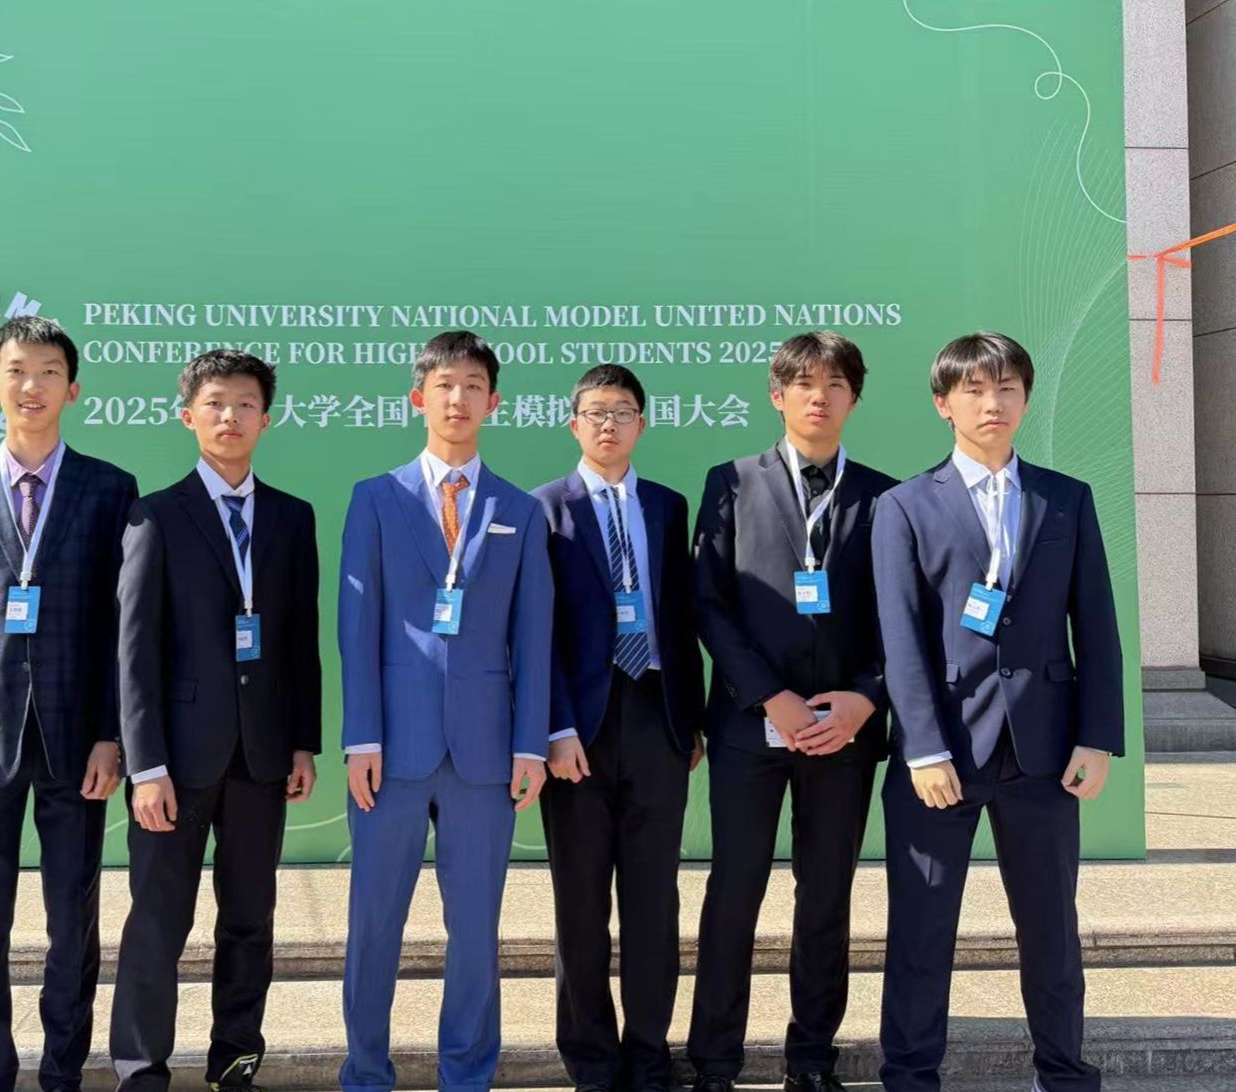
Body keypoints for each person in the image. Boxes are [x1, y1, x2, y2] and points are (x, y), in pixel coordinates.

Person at [872, 332, 1123, 1092]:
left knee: (1052, 931)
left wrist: (1097, 737)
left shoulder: (1065, 498)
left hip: (1044, 753)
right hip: (941, 756)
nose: (993, 403)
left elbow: (1097, 625)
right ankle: (910, 1076)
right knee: (922, 931)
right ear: (943, 404)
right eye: (975, 390)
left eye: (1007, 388)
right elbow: (900, 637)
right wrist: (922, 748)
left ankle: (1064, 1073)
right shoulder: (904, 505)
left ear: (1025, 399)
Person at [0, 315, 136, 1092]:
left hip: (79, 743)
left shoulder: (110, 490)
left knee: (73, 918)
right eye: (17, 370)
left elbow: (122, 627)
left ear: (73, 390)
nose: (31, 385)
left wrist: (112, 735)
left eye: (48, 371)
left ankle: (62, 1073)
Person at [337, 330, 554, 1092]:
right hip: (391, 750)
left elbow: (533, 636)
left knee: (475, 930)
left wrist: (530, 745)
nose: (457, 399)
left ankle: (467, 1072)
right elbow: (357, 626)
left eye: (472, 386)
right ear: (417, 398)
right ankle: (366, 1071)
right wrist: (360, 736)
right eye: (444, 385)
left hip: (486, 754)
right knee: (374, 922)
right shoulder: (376, 499)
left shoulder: (519, 510)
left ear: (494, 403)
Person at [681, 332, 895, 1092]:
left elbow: (903, 617)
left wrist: (866, 697)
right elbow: (708, 603)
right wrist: (768, 693)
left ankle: (811, 1059)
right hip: (750, 725)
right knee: (734, 891)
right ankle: (714, 1061)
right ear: (777, 395)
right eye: (804, 384)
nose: (819, 397)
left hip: (843, 733)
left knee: (827, 895)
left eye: (835, 384)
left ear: (854, 398)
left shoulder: (885, 496)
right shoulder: (731, 482)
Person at [109, 349, 322, 1092]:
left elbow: (299, 640)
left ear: (267, 418)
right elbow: (133, 651)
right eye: (215, 404)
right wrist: (146, 766)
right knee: (158, 921)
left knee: (249, 920)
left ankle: (235, 1061)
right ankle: (141, 1069)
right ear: (188, 416)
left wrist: (303, 742)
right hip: (176, 760)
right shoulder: (156, 515)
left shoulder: (292, 517)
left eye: (245, 404)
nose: (230, 417)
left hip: (263, 756)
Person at [532, 364, 705, 1092]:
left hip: (657, 716)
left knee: (653, 902)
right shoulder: (544, 509)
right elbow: (534, 634)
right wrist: (554, 727)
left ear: (643, 423)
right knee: (580, 903)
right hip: (580, 730)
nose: (610, 424)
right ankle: (592, 1060)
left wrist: (689, 720)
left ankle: (649, 1053)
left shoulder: (667, 505)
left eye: (624, 411)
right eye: (596, 412)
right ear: (573, 424)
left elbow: (682, 617)